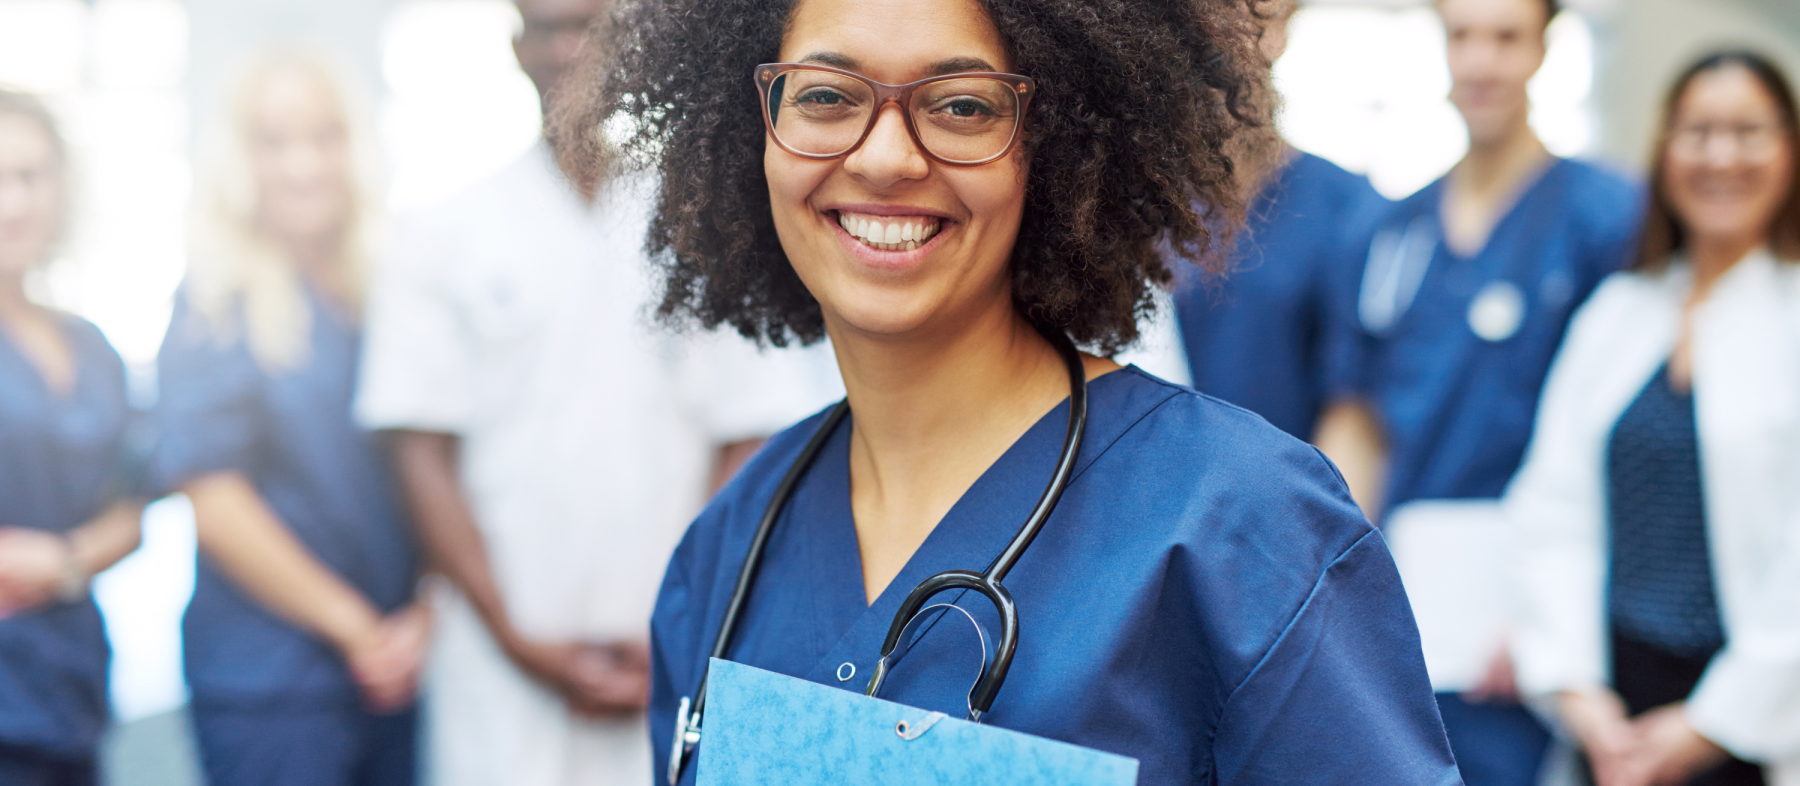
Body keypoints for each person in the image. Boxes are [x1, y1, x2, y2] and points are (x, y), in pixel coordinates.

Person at [558, 0, 1464, 783]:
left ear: (1060, 146)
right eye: (827, 96)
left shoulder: (1241, 525)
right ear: (748, 130)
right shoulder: (726, 553)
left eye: (959, 106)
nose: (884, 158)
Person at [354, 1, 842, 783]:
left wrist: (680, 619)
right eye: (549, 27)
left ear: (633, 48)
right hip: (497, 665)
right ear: (518, 48)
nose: (572, 48)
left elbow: (748, 435)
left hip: (668, 652)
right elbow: (418, 447)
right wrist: (517, 638)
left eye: (594, 25)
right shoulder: (439, 231)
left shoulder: (698, 222)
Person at [1313, 0, 1641, 782]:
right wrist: (1338, 588)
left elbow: (1627, 435)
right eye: (1464, 37)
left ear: (1543, 49)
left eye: (1506, 37)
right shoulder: (1390, 232)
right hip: (1416, 591)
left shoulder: (1604, 217)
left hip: (1540, 591)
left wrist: (1546, 615)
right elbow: (1357, 418)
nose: (1483, 61)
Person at [1507, 51, 1800, 786]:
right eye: (1697, 131)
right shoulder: (1618, 313)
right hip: (1612, 718)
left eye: (1748, 131)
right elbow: (1554, 507)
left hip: (1754, 727)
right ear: (1664, 151)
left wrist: (1708, 727)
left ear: (1791, 149)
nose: (1721, 155)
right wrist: (1580, 695)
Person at [145, 52, 426, 786]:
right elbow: (215, 501)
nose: (304, 164)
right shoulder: (213, 300)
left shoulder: (391, 291)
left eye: (324, 136)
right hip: (272, 682)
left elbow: (432, 470)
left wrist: (426, 617)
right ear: (239, 159)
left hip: (401, 669)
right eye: (273, 141)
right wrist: (361, 632)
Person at [0, 88, 147, 786]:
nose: (15, 201)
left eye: (31, 176)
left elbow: (132, 509)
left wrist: (59, 560)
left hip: (70, 683)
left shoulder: (89, 347)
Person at [1171, 0, 1389, 441]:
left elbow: (1355, 412)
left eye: (1248, 16)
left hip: (1291, 492)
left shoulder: (1347, 207)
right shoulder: (1145, 210)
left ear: (1280, 24)